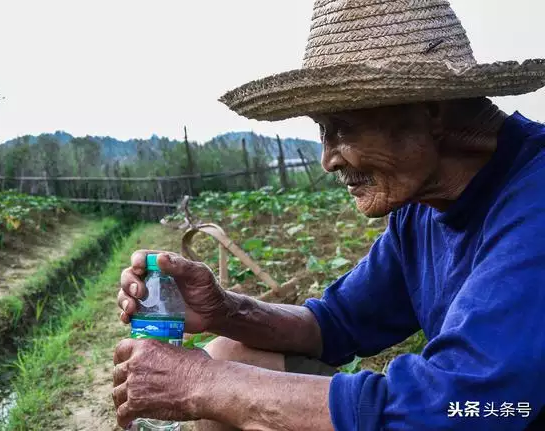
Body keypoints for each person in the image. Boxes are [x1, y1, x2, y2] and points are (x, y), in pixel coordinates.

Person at [112, 0, 545, 429]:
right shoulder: (423, 210)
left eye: (341, 127)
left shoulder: (535, 201)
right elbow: (335, 323)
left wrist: (199, 383)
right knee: (231, 353)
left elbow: (458, 409)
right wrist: (224, 311)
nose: (327, 159)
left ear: (429, 108)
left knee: (223, 379)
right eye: (322, 130)